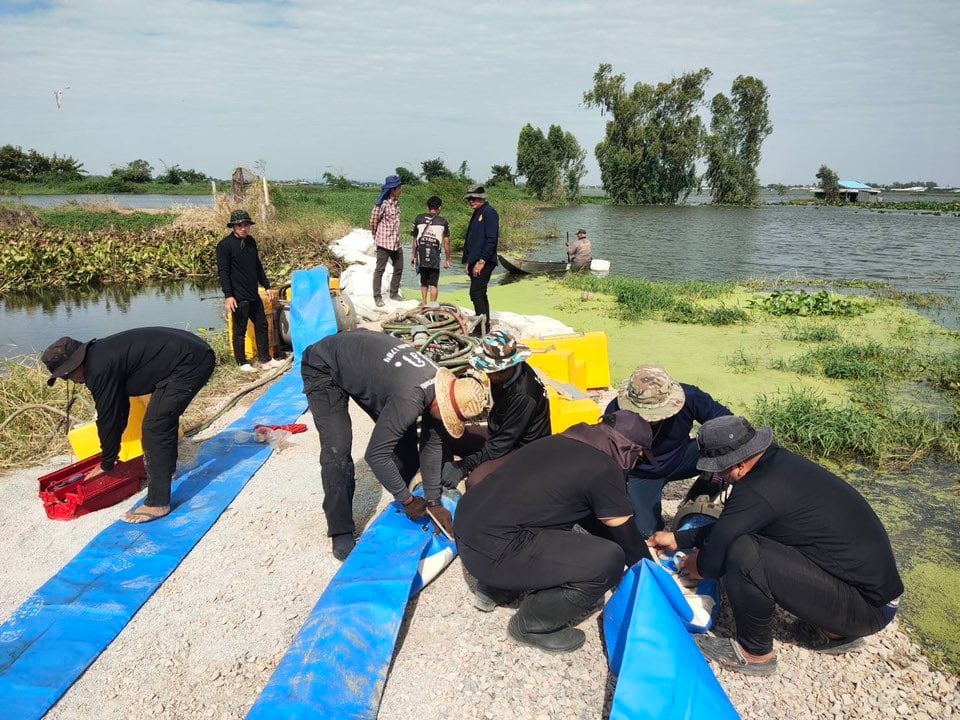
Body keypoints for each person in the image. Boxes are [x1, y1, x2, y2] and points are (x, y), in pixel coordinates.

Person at [648, 416, 903, 676]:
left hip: (867, 610)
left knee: (745, 552)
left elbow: (714, 559)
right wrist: (679, 539)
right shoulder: (779, 466)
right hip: (874, 598)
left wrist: (698, 565)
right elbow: (733, 525)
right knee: (746, 540)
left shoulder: (758, 490)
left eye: (720, 470)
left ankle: (755, 654)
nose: (720, 476)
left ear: (739, 465)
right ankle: (833, 630)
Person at [454, 411, 655, 653]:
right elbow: (627, 539)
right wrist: (653, 575)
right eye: (640, 458)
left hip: (468, 531)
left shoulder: (558, 441)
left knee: (550, 516)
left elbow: (590, 514)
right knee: (609, 560)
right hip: (492, 554)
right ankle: (530, 625)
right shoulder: (604, 466)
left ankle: (496, 587)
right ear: (630, 450)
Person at [301, 328, 488, 561]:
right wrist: (408, 501)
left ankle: (405, 498)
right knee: (337, 448)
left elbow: (431, 444)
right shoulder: (410, 398)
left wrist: (433, 501)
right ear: (441, 405)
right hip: (324, 364)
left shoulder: (442, 388)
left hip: (365, 367)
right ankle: (340, 530)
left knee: (404, 440)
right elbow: (376, 455)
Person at [42, 328, 216, 524]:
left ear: (74, 367)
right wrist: (111, 455)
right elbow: (119, 410)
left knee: (155, 426)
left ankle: (158, 502)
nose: (70, 380)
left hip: (192, 362)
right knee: (160, 417)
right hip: (187, 356)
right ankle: (166, 470)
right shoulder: (99, 356)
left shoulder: (98, 369)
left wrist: (107, 462)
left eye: (66, 376)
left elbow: (108, 419)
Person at [605, 364, 731, 536]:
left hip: (682, 456)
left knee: (724, 446)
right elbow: (609, 462)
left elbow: (728, 423)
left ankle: (702, 493)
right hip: (643, 473)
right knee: (646, 532)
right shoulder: (614, 412)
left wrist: (724, 464)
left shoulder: (691, 397)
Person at [441, 330, 550, 488]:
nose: (493, 376)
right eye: (490, 371)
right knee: (448, 435)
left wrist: (466, 465)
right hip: (500, 432)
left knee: (475, 481)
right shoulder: (502, 377)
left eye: (498, 372)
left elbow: (502, 445)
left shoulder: (524, 396)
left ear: (512, 365)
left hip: (524, 449)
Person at [216, 209, 282, 373]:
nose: (243, 228)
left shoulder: (251, 241)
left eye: (246, 225)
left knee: (262, 326)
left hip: (253, 292)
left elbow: (257, 266)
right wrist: (228, 295)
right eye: (240, 225)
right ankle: (242, 362)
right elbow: (223, 272)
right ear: (233, 226)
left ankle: (265, 360)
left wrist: (266, 286)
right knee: (240, 330)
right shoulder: (224, 246)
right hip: (238, 295)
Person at [462, 184, 499, 332]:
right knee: (480, 293)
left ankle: (481, 327)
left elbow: (491, 240)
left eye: (474, 198)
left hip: (485, 261)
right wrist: (468, 261)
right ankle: (484, 324)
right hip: (475, 261)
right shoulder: (477, 212)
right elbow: (472, 238)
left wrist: (482, 261)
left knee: (475, 292)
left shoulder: (489, 213)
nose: (471, 201)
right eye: (469, 199)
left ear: (482, 198)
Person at [411, 195, 452, 304]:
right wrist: (448, 259)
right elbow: (447, 242)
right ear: (439, 207)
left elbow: (415, 240)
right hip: (434, 255)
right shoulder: (443, 221)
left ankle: (424, 303)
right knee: (433, 283)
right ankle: (432, 305)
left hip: (421, 254)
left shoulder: (418, 218)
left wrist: (413, 256)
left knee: (424, 281)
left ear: (428, 207)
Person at [370, 174, 404, 307]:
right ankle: (377, 296)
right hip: (384, 242)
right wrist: (376, 235)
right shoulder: (382, 205)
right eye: (399, 188)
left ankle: (394, 293)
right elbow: (373, 221)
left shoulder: (396, 203)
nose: (401, 190)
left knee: (399, 267)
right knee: (380, 269)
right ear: (393, 189)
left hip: (395, 242)